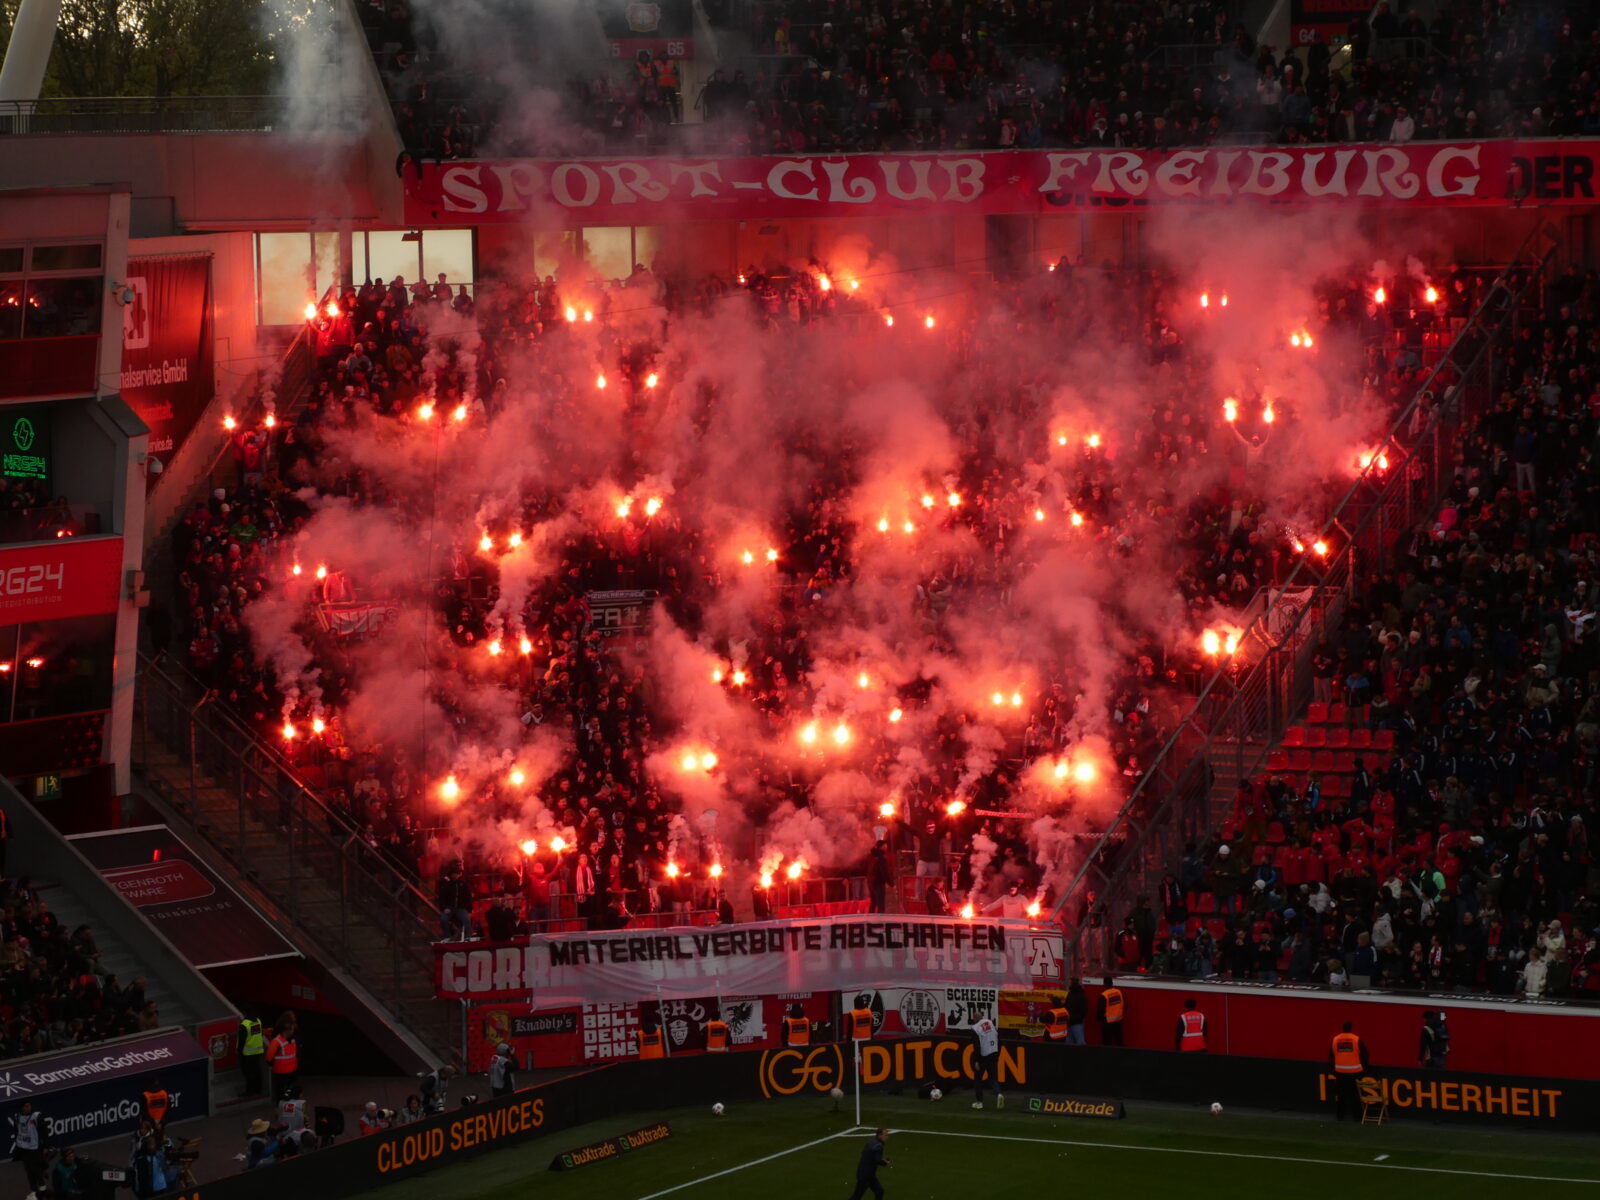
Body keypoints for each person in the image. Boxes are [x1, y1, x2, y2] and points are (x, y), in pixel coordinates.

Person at [1328, 1020, 1368, 1121]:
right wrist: (1363, 1069)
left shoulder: (1335, 1040)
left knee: (1341, 1096)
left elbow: (1331, 1056)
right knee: (1355, 1096)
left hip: (1340, 1073)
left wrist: (1333, 1070)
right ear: (1351, 1028)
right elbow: (1365, 1055)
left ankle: (1340, 1116)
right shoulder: (1356, 1039)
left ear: (1343, 1027)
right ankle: (1357, 1117)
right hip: (1354, 1073)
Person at [11, 1098, 44, 1197]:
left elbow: (44, 1131)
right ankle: (34, 1189)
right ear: (22, 1108)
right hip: (23, 1148)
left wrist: (46, 1145)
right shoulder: (17, 1117)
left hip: (34, 1147)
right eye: (26, 1106)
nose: (28, 1108)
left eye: (29, 1105)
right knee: (28, 1170)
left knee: (35, 1168)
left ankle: (42, 1185)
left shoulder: (36, 1116)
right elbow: (17, 1130)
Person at [846, 1128, 891, 1200]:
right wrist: (885, 1162)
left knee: (879, 1191)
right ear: (880, 1136)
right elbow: (877, 1160)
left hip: (866, 1173)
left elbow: (866, 1154)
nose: (887, 1137)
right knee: (856, 1196)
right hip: (866, 1176)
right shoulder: (879, 1146)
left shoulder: (871, 1142)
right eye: (886, 1135)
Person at [970, 1013, 1003, 1109]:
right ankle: (998, 1094)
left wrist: (976, 1060)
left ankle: (979, 1102)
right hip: (993, 1052)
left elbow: (976, 1045)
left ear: (975, 1018)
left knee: (978, 1079)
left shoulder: (975, 1028)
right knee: (993, 1078)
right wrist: (997, 1054)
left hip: (983, 1056)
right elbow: (998, 1038)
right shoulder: (990, 1022)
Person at [265, 1015, 300, 1101]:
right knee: (280, 1094)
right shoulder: (276, 1042)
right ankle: (279, 1109)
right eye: (291, 1029)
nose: (293, 1030)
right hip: (281, 1074)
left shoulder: (292, 1040)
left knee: (292, 1093)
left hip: (292, 1072)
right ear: (286, 1030)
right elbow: (269, 1058)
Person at [239, 1013, 267, 1095]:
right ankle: (258, 1089)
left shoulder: (245, 1024)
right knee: (257, 1070)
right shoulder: (258, 1021)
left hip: (247, 1053)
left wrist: (239, 1051)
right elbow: (260, 1034)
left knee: (248, 1072)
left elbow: (242, 1041)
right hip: (257, 1051)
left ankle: (249, 1091)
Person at [1098, 976, 1125, 1045]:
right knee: (1118, 1040)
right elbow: (1124, 1004)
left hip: (1107, 1022)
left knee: (1107, 1042)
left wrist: (1100, 1019)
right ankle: (1121, 1054)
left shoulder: (1104, 995)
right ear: (1112, 983)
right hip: (1118, 1020)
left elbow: (1101, 1010)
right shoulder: (1118, 992)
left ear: (1104, 984)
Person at [1064, 979, 1089, 1044]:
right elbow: (1084, 1010)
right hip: (1077, 1022)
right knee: (1080, 1042)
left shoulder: (1070, 994)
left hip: (1070, 1022)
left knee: (1069, 1043)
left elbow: (1066, 1005)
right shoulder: (1082, 995)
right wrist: (1080, 1017)